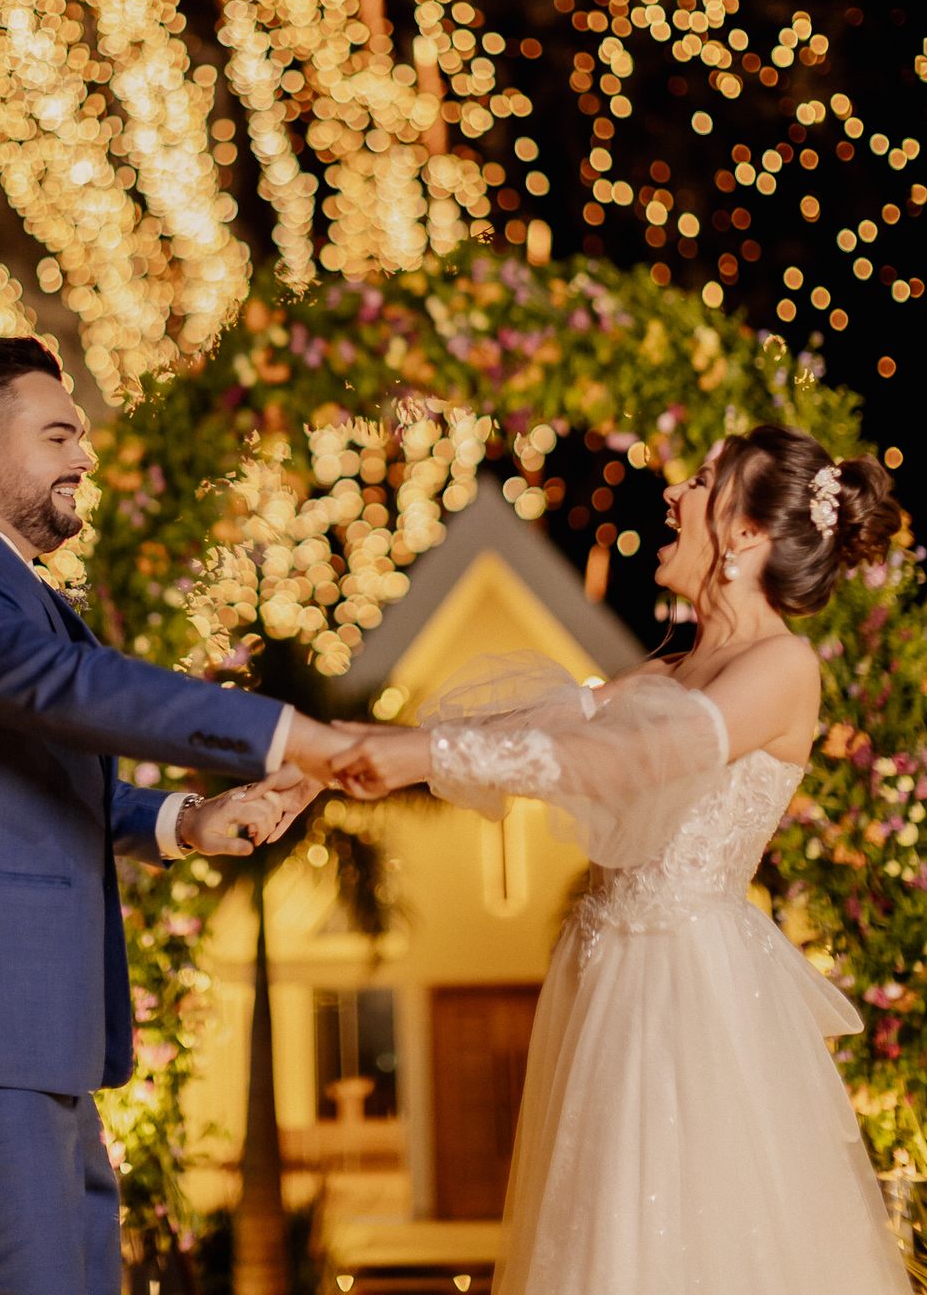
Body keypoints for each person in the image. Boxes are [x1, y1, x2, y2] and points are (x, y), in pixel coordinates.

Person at [290, 424, 910, 1293]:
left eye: (701, 481)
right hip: (607, 982)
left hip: (686, 995)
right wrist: (320, 761)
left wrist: (421, 760)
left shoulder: (783, 667)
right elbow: (528, 729)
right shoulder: (668, 673)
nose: (673, 494)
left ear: (743, 535)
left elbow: (630, 762)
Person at [0, 337, 331, 1295]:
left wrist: (184, 822)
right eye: (58, 436)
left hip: (21, 1032)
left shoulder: (4, 589)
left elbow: (16, 777)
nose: (85, 458)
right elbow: (65, 688)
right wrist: (285, 735)